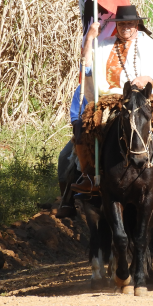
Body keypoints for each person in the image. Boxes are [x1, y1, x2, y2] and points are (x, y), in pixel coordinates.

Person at [74, 5, 153, 194]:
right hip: (112, 99)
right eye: (122, 23)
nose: (126, 27)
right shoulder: (102, 45)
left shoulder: (148, 45)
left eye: (130, 23)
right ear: (116, 25)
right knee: (84, 126)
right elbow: (87, 69)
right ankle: (89, 175)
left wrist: (148, 79)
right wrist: (89, 39)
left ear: (137, 25)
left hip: (145, 97)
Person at [53, 85, 87, 219]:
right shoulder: (82, 89)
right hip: (87, 131)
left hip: (115, 130)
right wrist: (80, 127)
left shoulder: (118, 84)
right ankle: (67, 203)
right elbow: (75, 116)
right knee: (64, 157)